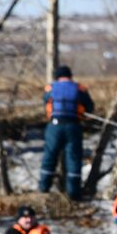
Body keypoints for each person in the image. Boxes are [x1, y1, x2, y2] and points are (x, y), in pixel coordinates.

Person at [39, 65, 94, 200]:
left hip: (54, 126)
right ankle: (73, 193)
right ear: (70, 76)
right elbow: (90, 107)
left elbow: (45, 101)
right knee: (74, 158)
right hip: (73, 126)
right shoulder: (79, 88)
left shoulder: (50, 88)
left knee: (50, 156)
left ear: (57, 76)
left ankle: (43, 188)